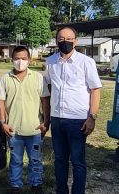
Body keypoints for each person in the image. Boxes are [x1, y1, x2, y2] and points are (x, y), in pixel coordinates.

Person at [45, 27, 102, 194]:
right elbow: (47, 87)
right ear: (56, 41)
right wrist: (46, 117)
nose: (65, 41)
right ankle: (61, 191)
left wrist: (92, 116)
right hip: (57, 118)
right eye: (61, 38)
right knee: (60, 160)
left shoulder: (86, 62)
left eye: (69, 38)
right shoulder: (50, 62)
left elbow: (95, 90)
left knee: (78, 161)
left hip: (78, 120)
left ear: (75, 41)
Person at [0, 46, 50, 194]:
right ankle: (15, 186)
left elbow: (45, 100)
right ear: (12, 59)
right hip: (13, 130)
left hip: (34, 129)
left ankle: (36, 184)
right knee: (15, 160)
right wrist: (3, 123)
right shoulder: (5, 79)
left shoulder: (38, 78)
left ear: (29, 60)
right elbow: (0, 101)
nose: (20, 62)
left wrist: (46, 122)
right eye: (17, 58)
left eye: (24, 59)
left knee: (35, 160)